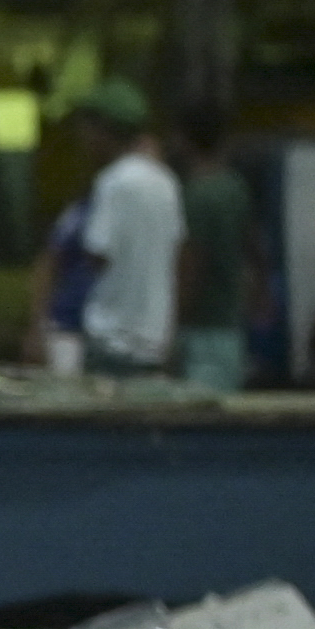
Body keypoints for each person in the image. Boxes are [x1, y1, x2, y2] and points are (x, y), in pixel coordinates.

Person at [63, 79, 183, 378]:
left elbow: (97, 254)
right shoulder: (165, 182)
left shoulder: (114, 183)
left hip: (112, 339)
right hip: (154, 339)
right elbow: (176, 251)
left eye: (88, 129)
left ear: (105, 131)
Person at [173, 97, 256, 394]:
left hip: (201, 328)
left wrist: (175, 320)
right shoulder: (236, 188)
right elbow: (252, 246)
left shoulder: (197, 196)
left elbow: (192, 262)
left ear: (183, 139)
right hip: (230, 325)